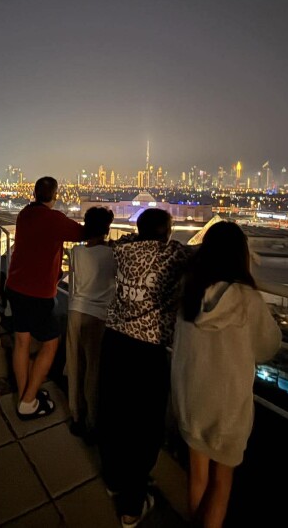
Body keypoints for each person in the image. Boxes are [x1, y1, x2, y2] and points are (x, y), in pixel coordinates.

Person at [171, 221, 281, 528]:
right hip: (227, 405)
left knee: (197, 474)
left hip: (190, 395)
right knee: (222, 480)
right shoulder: (247, 299)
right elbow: (268, 346)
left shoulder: (189, 290)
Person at [97, 208, 195, 527]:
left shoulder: (123, 249)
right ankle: (131, 506)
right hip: (147, 349)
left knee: (113, 413)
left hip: (114, 340)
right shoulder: (173, 255)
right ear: (166, 232)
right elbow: (201, 253)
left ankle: (113, 480)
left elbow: (126, 239)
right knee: (144, 425)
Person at [5, 176, 85, 420]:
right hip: (38, 293)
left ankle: (24, 396)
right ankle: (28, 402)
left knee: (21, 342)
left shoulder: (24, 214)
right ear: (55, 195)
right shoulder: (54, 219)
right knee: (51, 343)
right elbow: (83, 232)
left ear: (35, 193)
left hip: (15, 286)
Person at [65, 206, 116, 444]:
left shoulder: (75, 252)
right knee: (94, 370)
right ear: (107, 229)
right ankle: (93, 422)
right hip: (99, 316)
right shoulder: (113, 255)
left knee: (75, 364)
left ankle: (76, 415)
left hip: (76, 311)